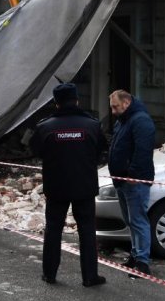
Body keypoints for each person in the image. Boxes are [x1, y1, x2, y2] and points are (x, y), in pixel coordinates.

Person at [29, 83, 107, 287]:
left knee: (53, 230)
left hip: (57, 187)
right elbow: (100, 150)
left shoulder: (45, 126)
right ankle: (90, 276)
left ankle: (49, 274)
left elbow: (36, 150)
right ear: (77, 100)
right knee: (87, 231)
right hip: (84, 187)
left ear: (56, 103)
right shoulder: (92, 125)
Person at [107, 89, 155, 277]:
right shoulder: (124, 120)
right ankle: (135, 256)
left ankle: (142, 263)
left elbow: (143, 151)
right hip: (122, 179)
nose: (113, 111)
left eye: (115, 107)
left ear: (126, 103)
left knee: (138, 220)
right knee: (131, 221)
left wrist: (132, 174)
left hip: (134, 181)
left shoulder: (140, 120)